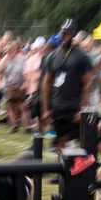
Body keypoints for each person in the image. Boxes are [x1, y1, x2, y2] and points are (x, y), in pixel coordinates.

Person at [41, 18, 94, 148]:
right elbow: (46, 83)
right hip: (57, 107)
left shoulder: (81, 57)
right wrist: (46, 109)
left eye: (67, 33)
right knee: (60, 143)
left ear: (72, 34)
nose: (64, 35)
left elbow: (88, 84)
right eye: (62, 32)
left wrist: (82, 109)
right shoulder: (52, 56)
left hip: (73, 107)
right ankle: (61, 167)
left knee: (75, 145)